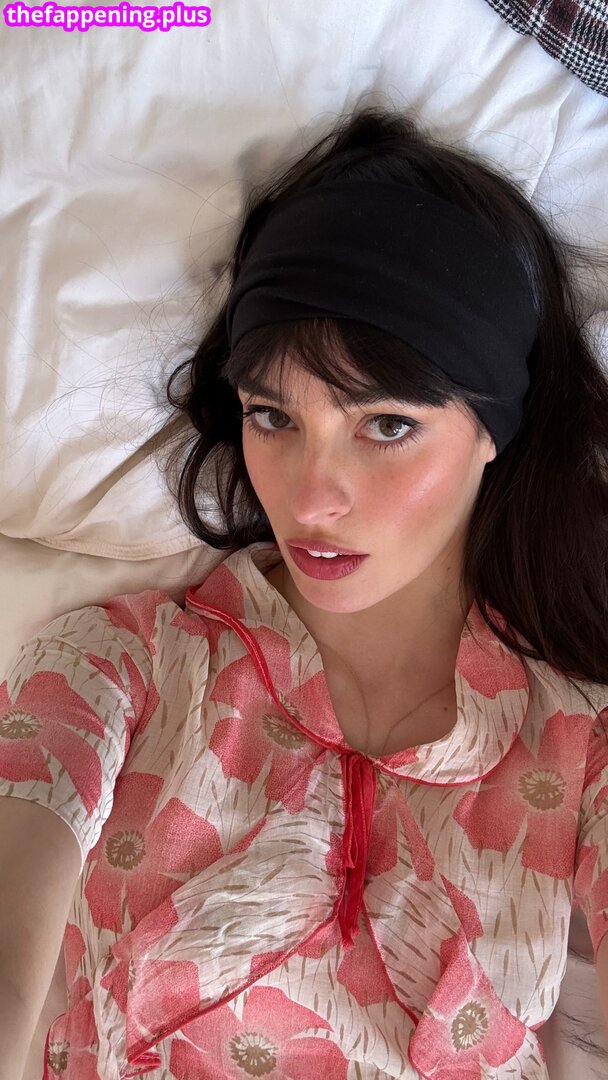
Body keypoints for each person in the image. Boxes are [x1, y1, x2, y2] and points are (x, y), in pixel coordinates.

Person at [1, 103, 608, 1080]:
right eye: (273, 416)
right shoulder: (118, 666)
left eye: (386, 425)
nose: (311, 497)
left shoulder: (579, 741)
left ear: (495, 428)